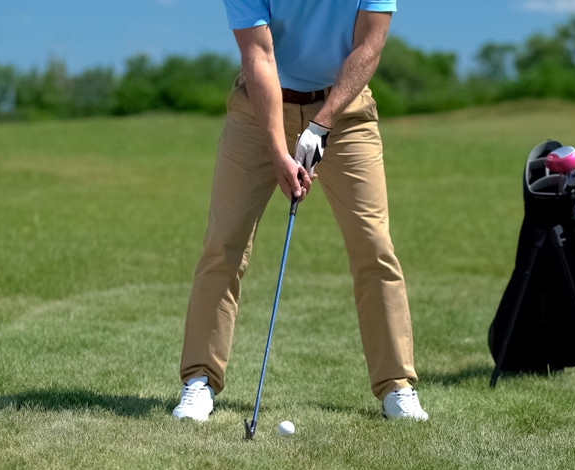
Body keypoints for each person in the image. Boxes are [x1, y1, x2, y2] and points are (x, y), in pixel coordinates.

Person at [172, 0, 428, 423]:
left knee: (374, 245)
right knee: (224, 243)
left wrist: (321, 124)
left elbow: (369, 45)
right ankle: (199, 380)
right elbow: (258, 53)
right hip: (258, 108)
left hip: (345, 111)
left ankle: (396, 386)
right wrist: (278, 150)